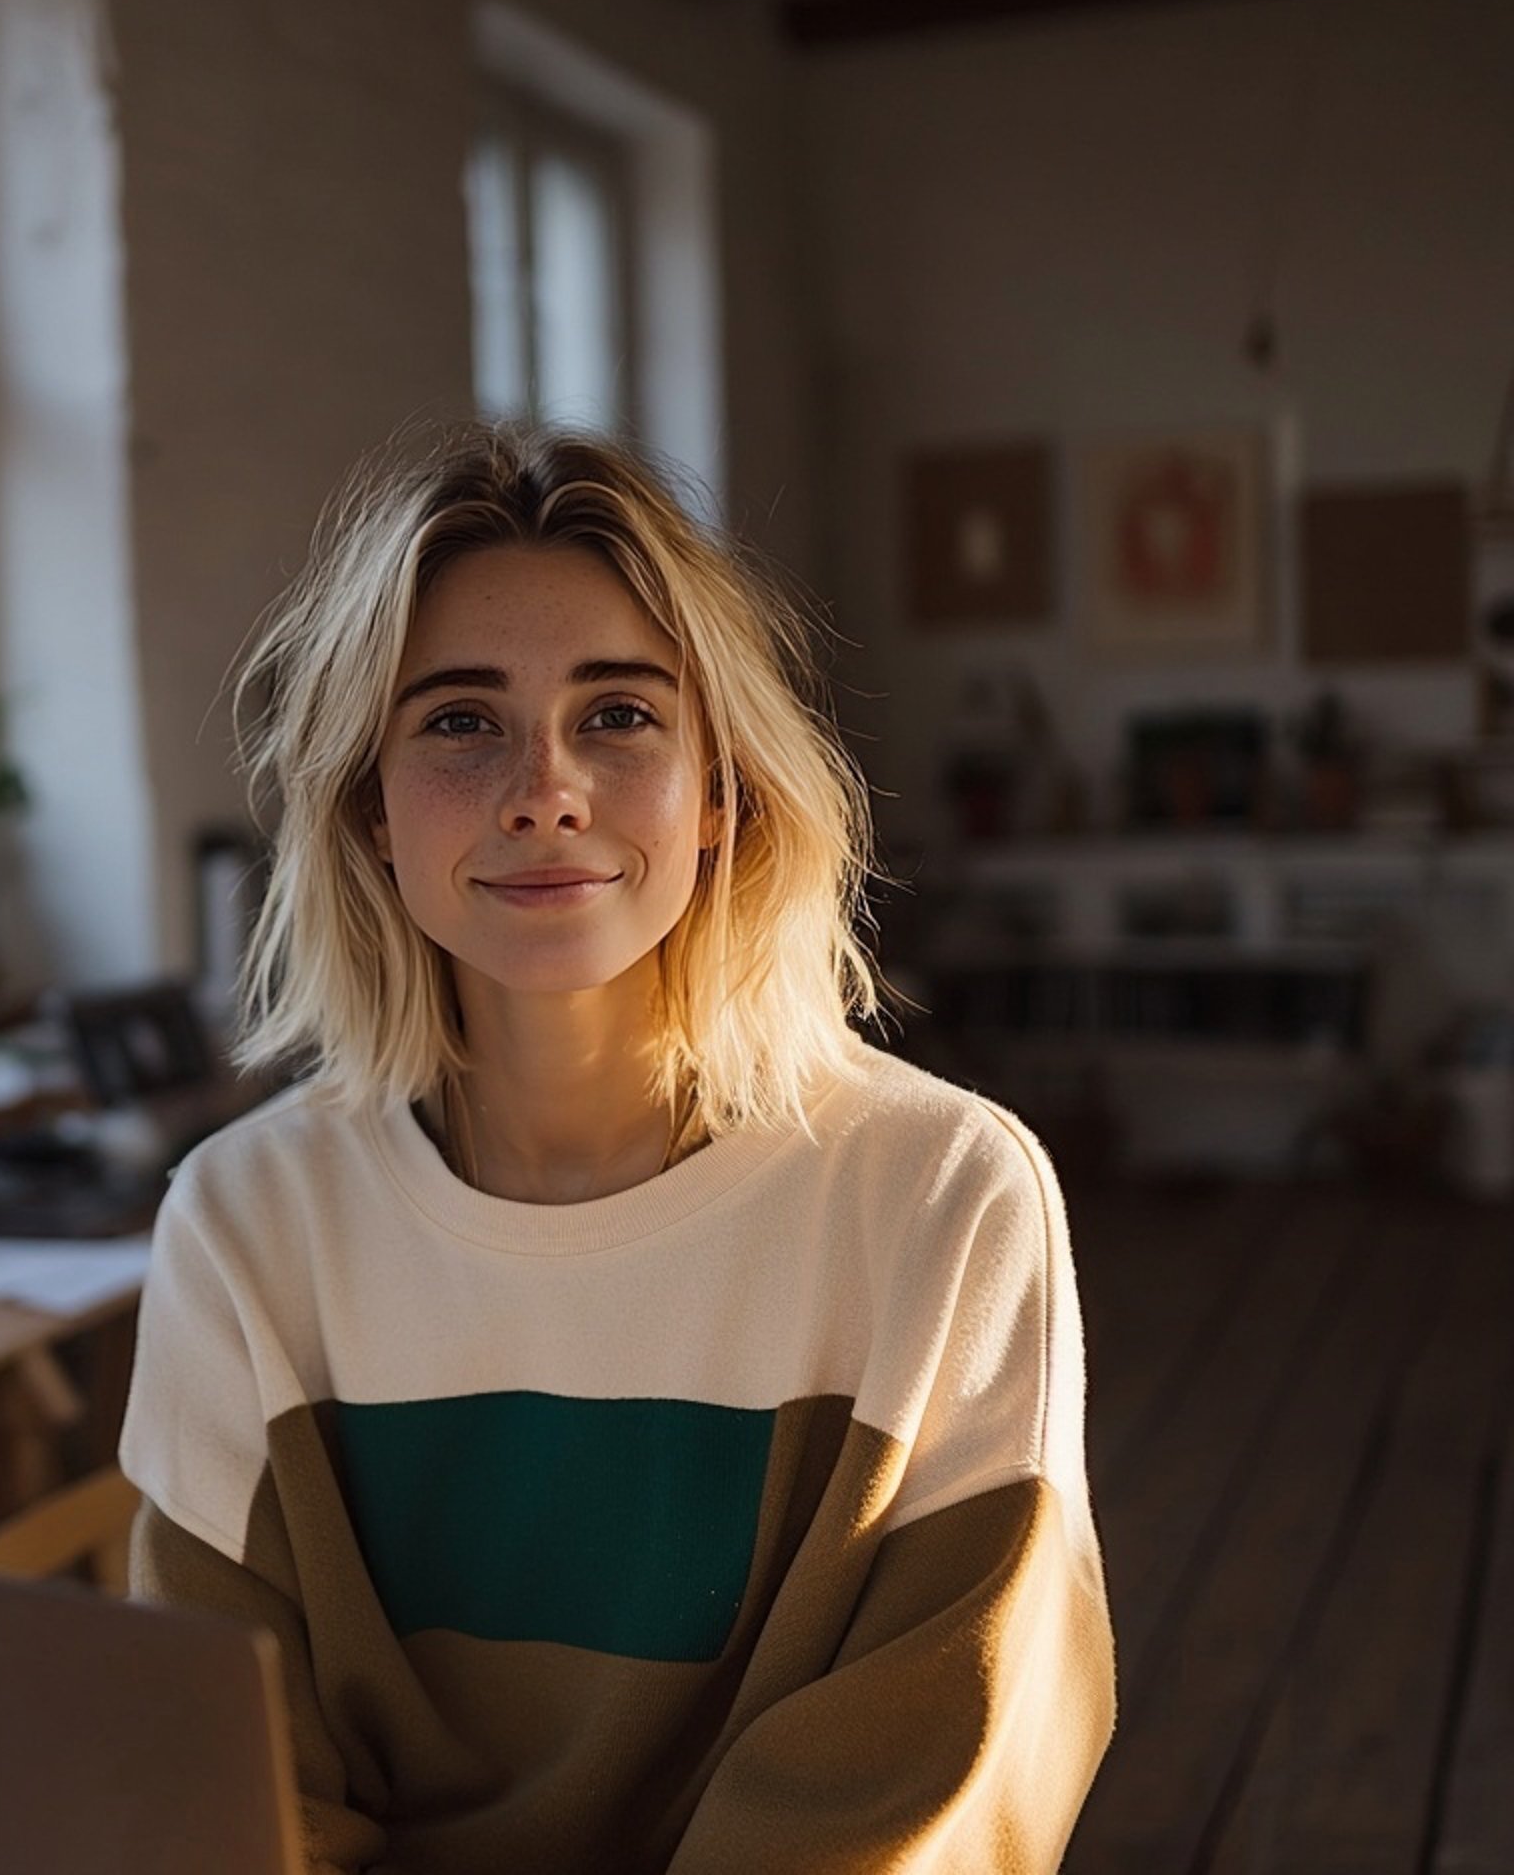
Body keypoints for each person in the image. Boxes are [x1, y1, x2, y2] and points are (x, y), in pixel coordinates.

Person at [119, 424, 1118, 1874]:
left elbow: (931, 1795)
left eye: (621, 717)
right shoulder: (244, 1223)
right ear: (369, 813)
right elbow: (224, 1786)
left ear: (723, 793)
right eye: (461, 721)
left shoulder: (942, 1198)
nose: (546, 788)